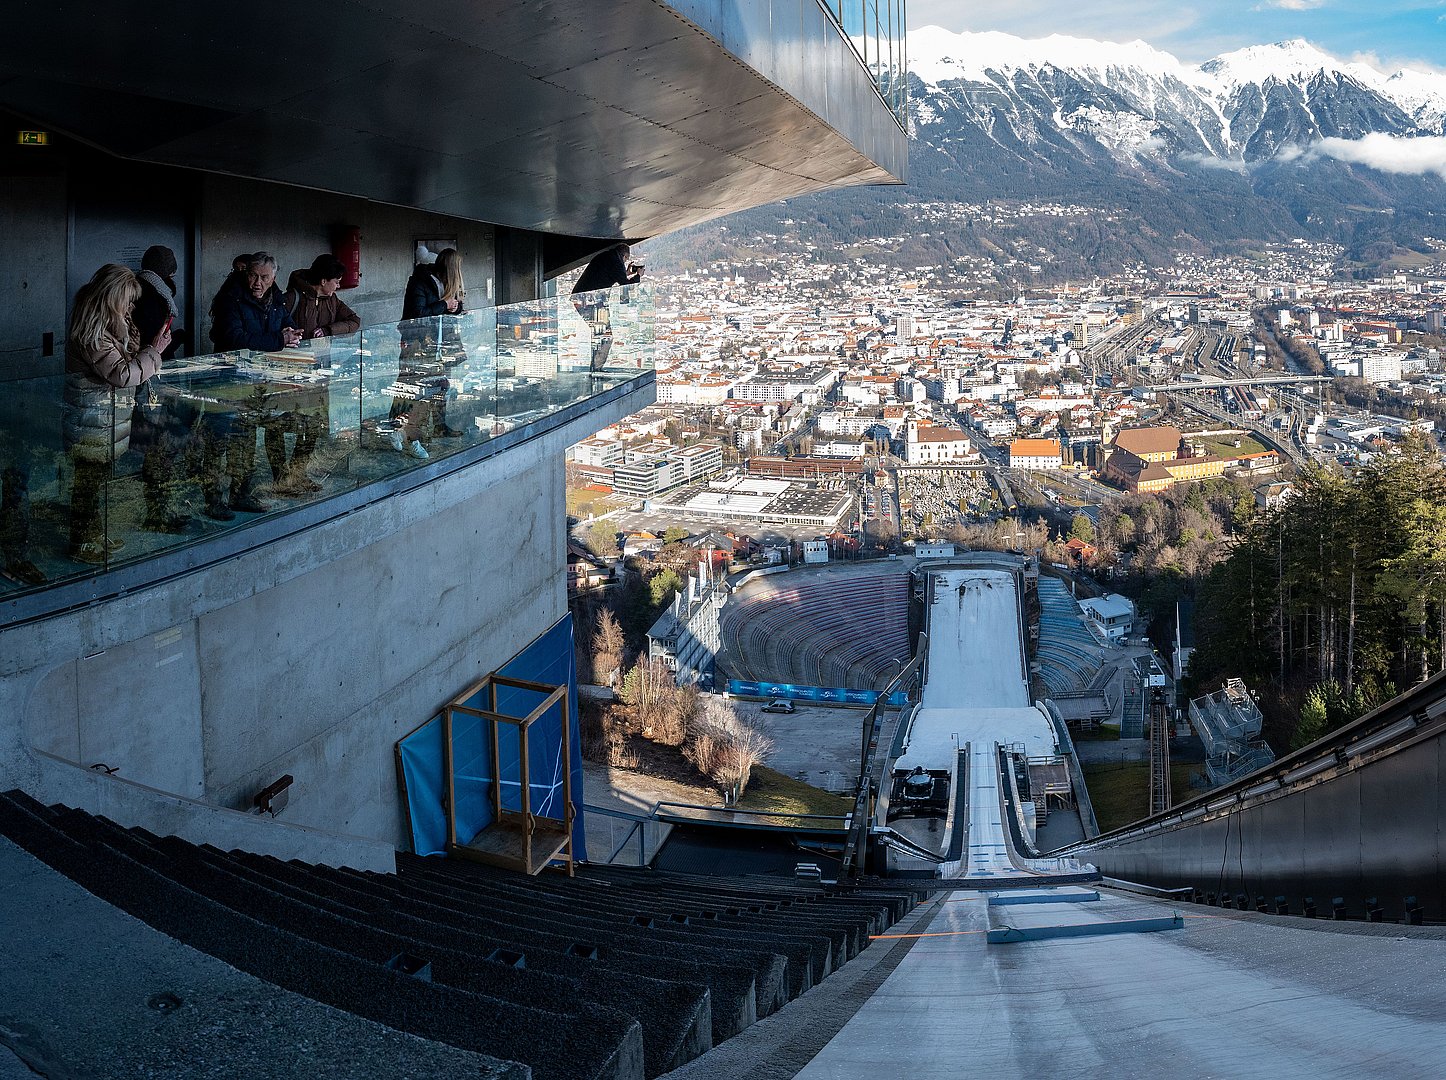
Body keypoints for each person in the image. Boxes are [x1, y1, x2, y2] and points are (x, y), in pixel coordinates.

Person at [63, 264, 169, 564]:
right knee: (87, 487)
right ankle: (82, 543)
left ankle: (93, 534)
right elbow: (122, 374)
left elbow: (126, 359)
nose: (131, 307)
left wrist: (134, 335)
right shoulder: (92, 333)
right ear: (113, 298)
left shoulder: (109, 325)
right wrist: (154, 351)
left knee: (95, 484)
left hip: (105, 420)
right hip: (92, 421)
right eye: (128, 301)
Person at [131, 245, 195, 533]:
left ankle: (158, 510)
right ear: (168, 271)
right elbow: (154, 344)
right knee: (160, 446)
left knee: (159, 447)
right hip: (153, 380)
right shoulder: (155, 297)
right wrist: (177, 339)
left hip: (149, 376)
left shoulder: (140, 291)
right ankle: (158, 513)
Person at [393, 247, 466, 455]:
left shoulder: (443, 283)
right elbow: (418, 314)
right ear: (450, 269)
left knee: (440, 388)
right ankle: (404, 433)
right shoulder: (420, 282)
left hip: (439, 346)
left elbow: (453, 306)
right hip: (418, 346)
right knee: (412, 392)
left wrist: (455, 308)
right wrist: (444, 305)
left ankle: (434, 428)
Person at [571, 243, 643, 371]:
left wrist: (625, 273)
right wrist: (638, 275)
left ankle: (595, 369)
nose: (625, 262)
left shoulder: (606, 256)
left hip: (582, 299)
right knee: (606, 336)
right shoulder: (616, 261)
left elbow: (606, 276)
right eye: (626, 259)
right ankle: (596, 369)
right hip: (592, 301)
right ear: (625, 256)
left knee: (601, 334)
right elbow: (625, 287)